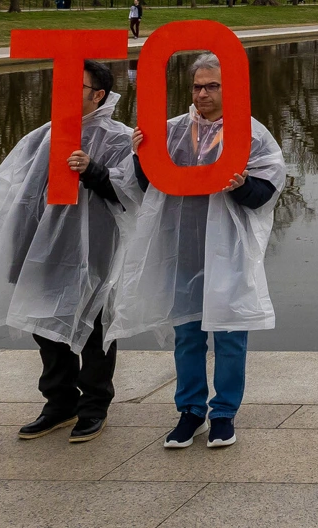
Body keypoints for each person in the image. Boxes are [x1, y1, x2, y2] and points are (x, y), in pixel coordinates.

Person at [104, 54, 286, 450]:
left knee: (229, 335)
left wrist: (239, 186)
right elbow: (142, 185)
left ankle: (223, 414)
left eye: (212, 86)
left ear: (230, 88)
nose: (202, 94)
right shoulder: (169, 131)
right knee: (186, 334)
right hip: (182, 249)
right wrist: (139, 155)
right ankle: (190, 412)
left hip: (228, 252)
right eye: (197, 86)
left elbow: (264, 194)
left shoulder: (250, 135)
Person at [0, 60, 135, 444]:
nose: (62, 95)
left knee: (94, 328)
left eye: (74, 87)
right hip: (44, 248)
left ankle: (95, 405)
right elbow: (19, 197)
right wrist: (19, 251)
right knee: (46, 327)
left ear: (98, 94)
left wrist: (93, 170)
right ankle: (60, 402)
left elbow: (131, 194)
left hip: (95, 249)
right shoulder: (41, 137)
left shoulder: (118, 138)